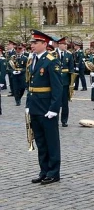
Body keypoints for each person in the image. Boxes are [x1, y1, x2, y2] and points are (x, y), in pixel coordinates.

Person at [26, 30, 63, 185]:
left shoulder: (51, 60)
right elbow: (31, 84)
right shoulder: (32, 60)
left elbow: (57, 87)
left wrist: (54, 108)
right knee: (40, 141)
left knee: (51, 141)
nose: (32, 45)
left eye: (35, 43)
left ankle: (54, 172)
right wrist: (28, 105)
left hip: (47, 108)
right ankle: (44, 170)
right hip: (35, 106)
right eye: (32, 43)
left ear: (44, 44)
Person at [57, 37, 75, 127]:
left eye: (66, 44)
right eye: (63, 44)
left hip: (65, 81)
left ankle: (64, 120)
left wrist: (72, 82)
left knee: (65, 102)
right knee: (55, 101)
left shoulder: (69, 54)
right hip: (55, 81)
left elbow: (71, 68)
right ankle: (54, 119)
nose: (65, 46)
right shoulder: (53, 54)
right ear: (59, 45)